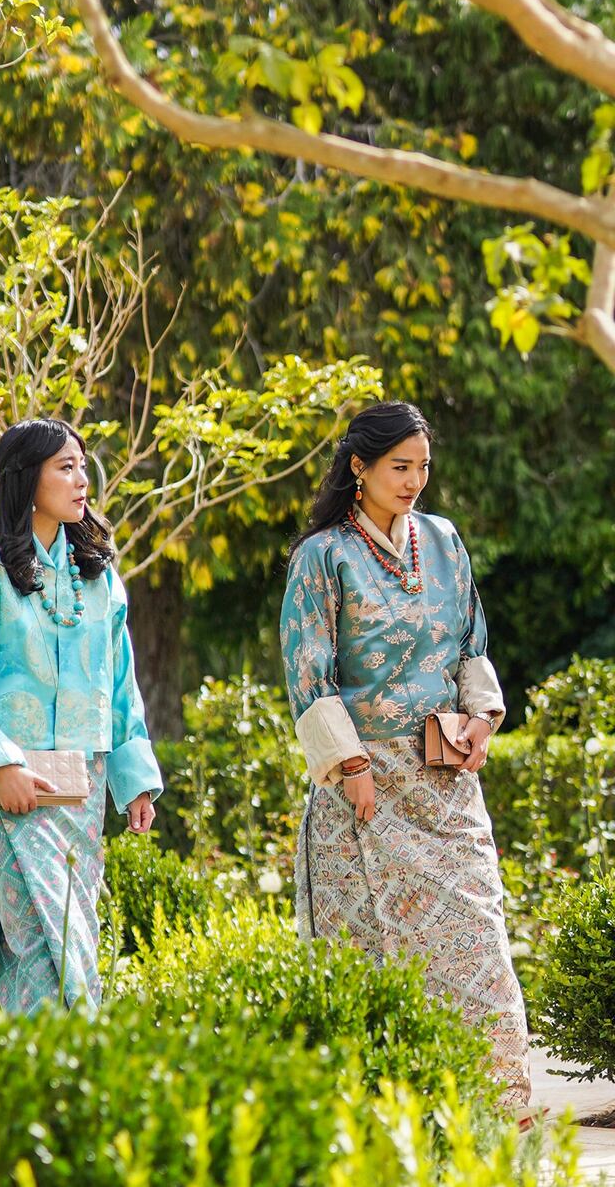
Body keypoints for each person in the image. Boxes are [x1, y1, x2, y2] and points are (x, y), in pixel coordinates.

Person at [280, 400, 531, 1108]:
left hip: (444, 779)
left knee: (478, 940)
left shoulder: (446, 541)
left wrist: (482, 715)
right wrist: (350, 768)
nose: (415, 479)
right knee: (366, 956)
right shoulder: (322, 556)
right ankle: (382, 1118)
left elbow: (469, 642)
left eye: (423, 466)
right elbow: (308, 673)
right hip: (361, 787)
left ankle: (494, 1113)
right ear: (358, 467)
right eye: (400, 466)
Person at [0, 417, 162, 1016]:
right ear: (26, 479)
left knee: (74, 934)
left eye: (84, 466)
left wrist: (134, 782)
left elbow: (121, 686)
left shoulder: (99, 577)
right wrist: (2, 766)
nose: (83, 480)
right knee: (37, 936)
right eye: (66, 467)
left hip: (82, 785)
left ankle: (20, 1081)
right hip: (4, 787)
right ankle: (56, 1074)